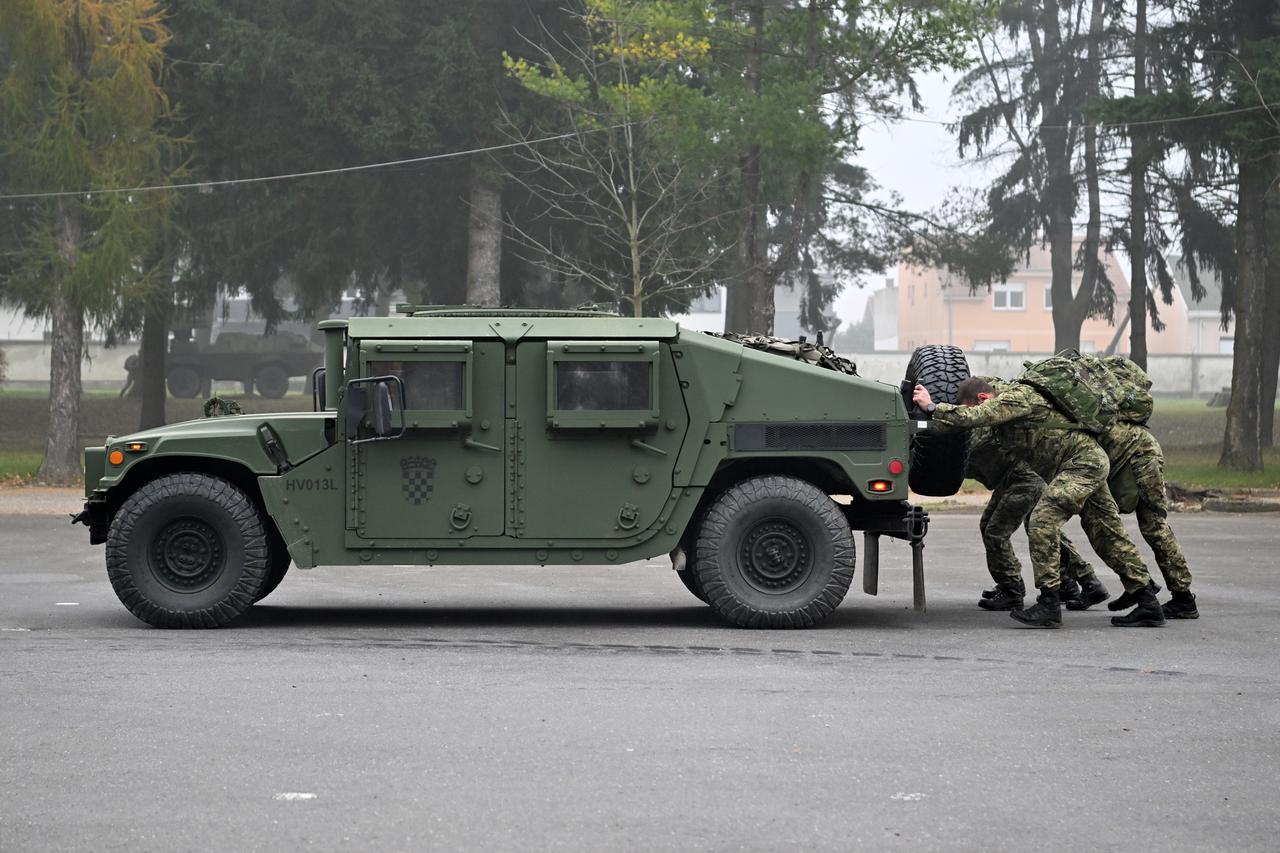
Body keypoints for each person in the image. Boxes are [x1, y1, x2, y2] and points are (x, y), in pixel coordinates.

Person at [913, 376, 1164, 628]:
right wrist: (919, 420)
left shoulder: (1016, 397)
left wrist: (933, 407)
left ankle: (1049, 604)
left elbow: (974, 417)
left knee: (1042, 522)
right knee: (1106, 533)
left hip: (1081, 464)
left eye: (975, 407)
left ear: (982, 398)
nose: (976, 412)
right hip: (1081, 464)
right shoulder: (1000, 410)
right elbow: (966, 425)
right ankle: (1147, 601)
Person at [966, 422, 1110, 612]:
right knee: (994, 526)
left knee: (998, 532)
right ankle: (1071, 585)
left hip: (1026, 482)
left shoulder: (977, 425)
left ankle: (1012, 590)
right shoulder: (977, 423)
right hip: (1013, 479)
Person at [1098, 421, 1199, 619]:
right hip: (1127, 457)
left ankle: (1183, 598)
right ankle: (1141, 585)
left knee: (1154, 526)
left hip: (1141, 455)